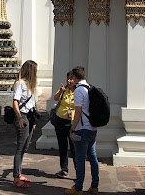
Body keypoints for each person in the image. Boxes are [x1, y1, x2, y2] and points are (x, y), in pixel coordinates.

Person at [66, 66, 99, 194]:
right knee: (93, 158)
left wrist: (72, 129)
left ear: (74, 77)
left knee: (80, 159)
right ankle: (94, 186)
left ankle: (78, 188)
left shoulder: (79, 91)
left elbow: (78, 112)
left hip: (82, 129)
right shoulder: (89, 88)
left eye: (71, 77)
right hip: (92, 128)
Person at [12, 60, 38, 189]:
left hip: (30, 117)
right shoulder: (20, 84)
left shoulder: (31, 85)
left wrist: (33, 121)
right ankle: (16, 177)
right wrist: (19, 118)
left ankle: (19, 172)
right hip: (22, 116)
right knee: (20, 147)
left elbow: (32, 102)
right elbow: (15, 102)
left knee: (26, 146)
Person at [53, 71, 76, 178]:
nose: (69, 81)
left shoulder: (78, 91)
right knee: (62, 146)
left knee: (74, 148)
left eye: (71, 79)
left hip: (72, 123)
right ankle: (64, 169)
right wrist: (60, 92)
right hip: (60, 120)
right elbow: (56, 98)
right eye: (68, 79)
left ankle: (78, 170)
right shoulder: (64, 89)